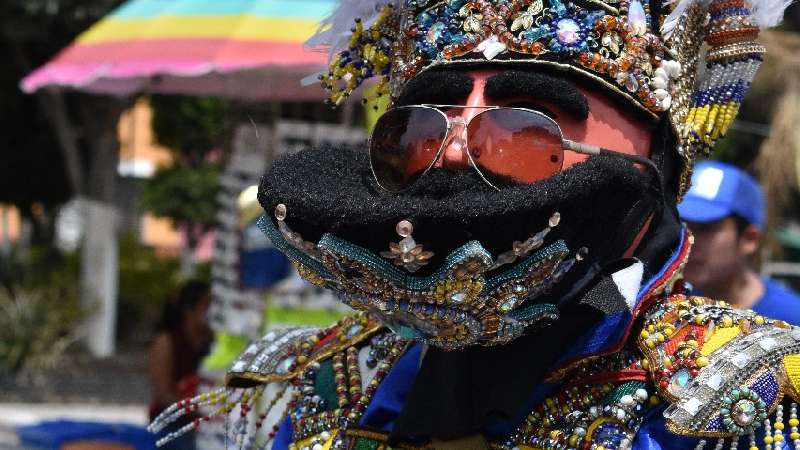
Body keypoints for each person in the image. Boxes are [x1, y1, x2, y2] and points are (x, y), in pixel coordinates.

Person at [149, 0, 800, 449]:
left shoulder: (746, 400)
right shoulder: (310, 386)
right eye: (419, 128)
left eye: (524, 126)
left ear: (656, 157)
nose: (453, 150)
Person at [679, 160, 800, 324]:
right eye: (682, 225)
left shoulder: (790, 321)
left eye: (705, 228)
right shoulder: (672, 301)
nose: (688, 239)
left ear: (749, 239)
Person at [148, 280, 212, 450]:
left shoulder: (214, 341)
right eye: (208, 305)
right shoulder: (166, 342)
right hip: (175, 423)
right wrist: (201, 409)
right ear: (189, 309)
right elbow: (164, 395)